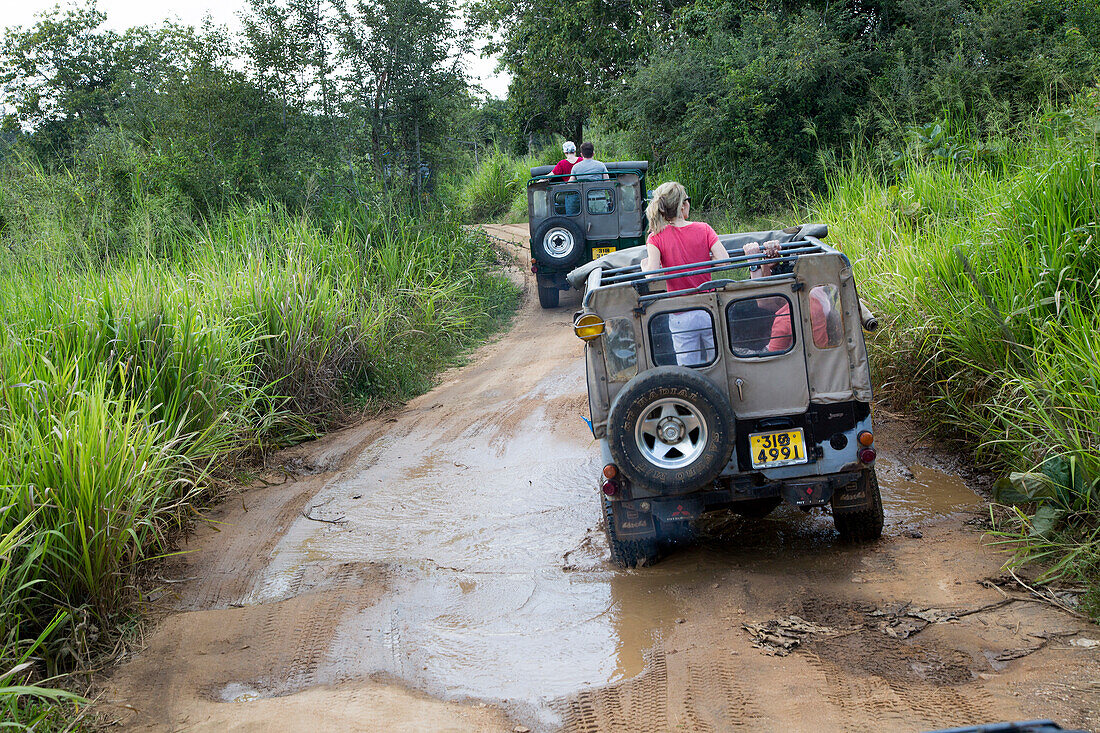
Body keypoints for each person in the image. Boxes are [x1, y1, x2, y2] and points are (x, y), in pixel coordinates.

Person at [641, 181, 727, 365]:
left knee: (689, 369)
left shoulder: (655, 237)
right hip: (707, 308)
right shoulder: (704, 228)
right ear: (683, 204)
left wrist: (644, 267)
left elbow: (652, 276)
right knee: (718, 363)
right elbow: (724, 260)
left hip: (680, 313)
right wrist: (708, 259)